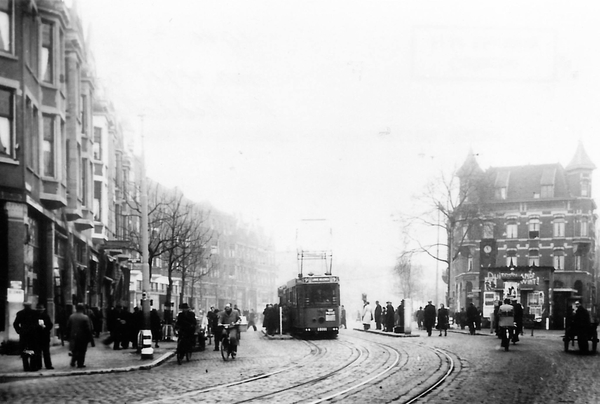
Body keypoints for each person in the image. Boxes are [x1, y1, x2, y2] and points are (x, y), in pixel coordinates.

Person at [13, 301, 42, 371]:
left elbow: (15, 324)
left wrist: (19, 331)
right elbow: (39, 323)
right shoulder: (35, 313)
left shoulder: (20, 313)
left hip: (24, 334)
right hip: (33, 334)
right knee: (33, 350)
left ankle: (26, 367)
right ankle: (33, 366)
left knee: (25, 350)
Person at [66, 303, 95, 368]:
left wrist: (68, 336)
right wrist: (90, 338)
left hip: (73, 336)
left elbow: (68, 327)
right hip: (82, 337)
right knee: (82, 351)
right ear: (83, 309)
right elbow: (88, 329)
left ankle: (73, 361)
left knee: (75, 350)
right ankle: (80, 363)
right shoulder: (85, 317)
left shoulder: (71, 316)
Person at [36, 303, 54, 370]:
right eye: (39, 309)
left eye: (41, 309)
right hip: (41, 336)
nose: (40, 310)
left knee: (44, 351)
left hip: (44, 336)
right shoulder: (43, 316)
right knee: (40, 352)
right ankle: (43, 365)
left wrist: (45, 327)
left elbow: (50, 325)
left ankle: (46, 365)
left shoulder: (46, 316)